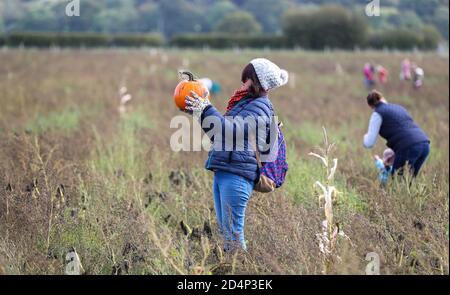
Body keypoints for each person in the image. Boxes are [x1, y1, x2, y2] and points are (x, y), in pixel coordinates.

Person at [184, 58, 288, 251]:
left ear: (256, 81)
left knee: (233, 239)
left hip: (237, 175)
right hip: (225, 170)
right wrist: (200, 112)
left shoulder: (260, 107)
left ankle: (242, 270)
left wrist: (205, 108)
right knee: (227, 234)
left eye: (246, 79)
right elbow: (219, 135)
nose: (243, 84)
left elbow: (230, 131)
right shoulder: (245, 103)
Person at [363, 90, 430, 177]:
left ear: (370, 106)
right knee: (409, 181)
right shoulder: (398, 107)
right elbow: (405, 131)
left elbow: (369, 143)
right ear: (383, 98)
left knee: (396, 181)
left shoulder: (377, 114)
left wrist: (365, 137)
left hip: (408, 147)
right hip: (425, 144)